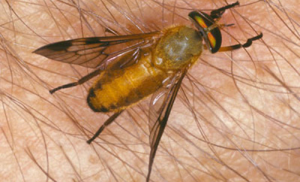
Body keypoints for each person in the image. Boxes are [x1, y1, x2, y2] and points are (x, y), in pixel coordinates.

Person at [1, 0, 299, 181]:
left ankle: (77, 87)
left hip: (138, 56)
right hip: (149, 80)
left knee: (111, 57)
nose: (207, 27)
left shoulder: (153, 37)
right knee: (137, 94)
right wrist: (243, 44)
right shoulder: (188, 64)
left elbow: (101, 50)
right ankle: (98, 123)